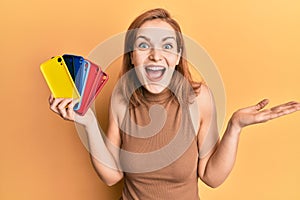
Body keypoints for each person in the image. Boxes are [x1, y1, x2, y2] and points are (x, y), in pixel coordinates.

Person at [48, 8, 300, 200]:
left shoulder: (199, 97)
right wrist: (89, 122)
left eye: (167, 46)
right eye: (144, 45)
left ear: (177, 57)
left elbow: (211, 177)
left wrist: (235, 126)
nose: (156, 55)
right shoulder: (122, 95)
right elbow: (112, 175)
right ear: (132, 57)